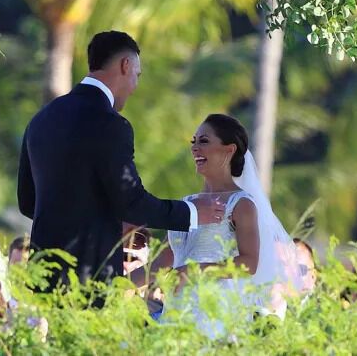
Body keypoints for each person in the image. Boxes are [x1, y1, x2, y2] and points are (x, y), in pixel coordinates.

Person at [17, 31, 226, 289]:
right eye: (137, 76)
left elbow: (28, 202)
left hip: (42, 273)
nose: (135, 86)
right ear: (125, 66)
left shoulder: (40, 120)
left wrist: (104, 220)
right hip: (90, 276)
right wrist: (193, 213)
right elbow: (132, 202)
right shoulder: (111, 124)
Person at [155, 114, 306, 334]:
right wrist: (118, 283)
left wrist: (193, 271)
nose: (195, 148)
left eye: (204, 141)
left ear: (229, 150)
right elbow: (169, 257)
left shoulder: (241, 203)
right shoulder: (186, 203)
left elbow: (248, 263)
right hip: (176, 311)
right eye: (193, 142)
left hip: (215, 315)